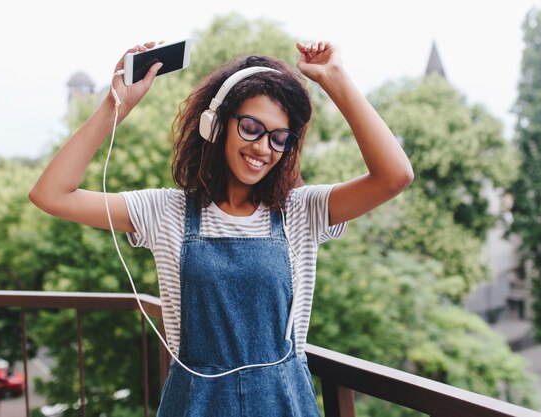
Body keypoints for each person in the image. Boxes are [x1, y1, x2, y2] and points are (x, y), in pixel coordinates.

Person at [29, 39, 413, 417]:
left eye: (279, 137)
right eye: (251, 127)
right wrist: (116, 106)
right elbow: (51, 194)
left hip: (284, 404)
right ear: (215, 125)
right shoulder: (167, 211)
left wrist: (335, 79)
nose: (263, 147)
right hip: (194, 406)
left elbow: (394, 176)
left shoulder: (301, 210)